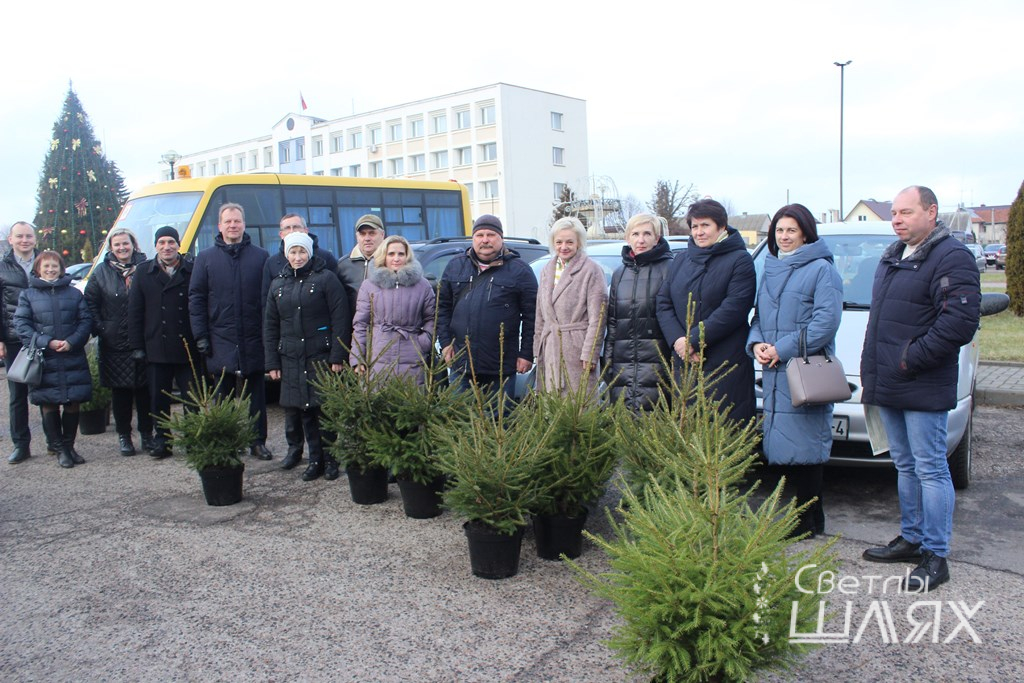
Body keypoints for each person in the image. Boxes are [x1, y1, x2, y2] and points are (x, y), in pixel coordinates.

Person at [860, 186, 981, 592]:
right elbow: (882, 321)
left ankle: (936, 554)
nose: (896, 219)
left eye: (906, 212)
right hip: (890, 381)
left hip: (921, 381)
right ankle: (911, 538)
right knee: (905, 464)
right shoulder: (893, 256)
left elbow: (959, 323)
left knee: (930, 467)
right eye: (893, 213)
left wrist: (910, 358)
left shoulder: (951, 256)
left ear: (931, 212)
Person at [747, 204, 843, 539]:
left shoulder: (821, 269)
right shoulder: (771, 268)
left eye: (791, 230)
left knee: (807, 450)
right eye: (779, 231)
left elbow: (825, 324)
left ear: (805, 232)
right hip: (774, 371)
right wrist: (757, 343)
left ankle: (806, 520)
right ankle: (808, 519)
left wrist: (781, 348)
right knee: (786, 450)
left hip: (803, 370)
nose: (784, 237)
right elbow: (758, 316)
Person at [656, 199, 756, 424]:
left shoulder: (740, 260)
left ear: (721, 227)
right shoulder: (681, 260)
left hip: (725, 361)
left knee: (724, 429)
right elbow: (663, 302)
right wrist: (678, 341)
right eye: (694, 226)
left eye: (705, 225)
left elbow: (735, 307)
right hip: (685, 361)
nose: (699, 232)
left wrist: (693, 340)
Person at [189, 202, 273, 460]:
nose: (233, 225)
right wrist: (201, 335)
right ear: (220, 226)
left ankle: (257, 441)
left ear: (244, 224)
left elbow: (268, 300)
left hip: (253, 337)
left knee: (256, 396)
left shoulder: (261, 257)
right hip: (220, 337)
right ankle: (228, 440)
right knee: (223, 395)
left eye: (237, 221)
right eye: (228, 221)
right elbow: (196, 298)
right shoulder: (205, 258)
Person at [264, 232, 350, 481]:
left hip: (320, 355)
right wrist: (272, 361)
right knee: (304, 411)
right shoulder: (278, 284)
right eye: (293, 252)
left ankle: (332, 460)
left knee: (324, 411)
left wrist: (337, 356)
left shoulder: (326, 280)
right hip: (290, 357)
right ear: (286, 255)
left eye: (302, 252)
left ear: (310, 253)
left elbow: (340, 320)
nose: (298, 257)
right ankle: (315, 460)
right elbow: (270, 325)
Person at [436, 214, 537, 405]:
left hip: (500, 367)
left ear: (501, 238)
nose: (485, 240)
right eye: (479, 235)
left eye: (491, 234)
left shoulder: (520, 271)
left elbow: (532, 317)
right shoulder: (455, 266)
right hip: (461, 364)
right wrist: (446, 342)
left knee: (499, 424)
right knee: (459, 421)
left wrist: (525, 354)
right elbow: (442, 309)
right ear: (473, 239)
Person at [13, 251, 93, 469]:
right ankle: (58, 448)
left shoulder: (74, 294)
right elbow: (22, 325)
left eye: (54, 266)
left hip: (71, 355)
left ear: (61, 268)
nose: (50, 270)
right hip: (45, 358)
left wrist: (73, 341)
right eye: (46, 266)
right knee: (49, 403)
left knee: (73, 402)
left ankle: (69, 445)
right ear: (38, 269)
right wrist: (47, 342)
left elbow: (86, 320)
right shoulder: (28, 295)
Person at [126, 226, 196, 459]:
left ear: (178, 245)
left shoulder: (191, 270)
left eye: (171, 242)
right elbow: (135, 312)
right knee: (158, 399)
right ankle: (162, 440)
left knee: (192, 398)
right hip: (156, 346)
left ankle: (194, 438)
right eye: (162, 243)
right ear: (155, 246)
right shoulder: (144, 273)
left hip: (187, 347)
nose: (167, 247)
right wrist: (137, 346)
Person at [84, 228, 153, 456]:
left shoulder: (147, 268)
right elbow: (90, 304)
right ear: (111, 248)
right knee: (120, 394)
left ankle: (147, 434)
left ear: (133, 244)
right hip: (114, 342)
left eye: (126, 243)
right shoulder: (101, 273)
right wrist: (102, 328)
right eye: (117, 245)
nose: (122, 248)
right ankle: (124, 436)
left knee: (145, 392)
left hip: (144, 339)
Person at [603, 214, 675, 411]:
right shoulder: (620, 273)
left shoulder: (670, 269)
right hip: (623, 365)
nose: (641, 240)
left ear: (657, 238)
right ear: (627, 238)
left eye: (647, 234)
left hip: (658, 364)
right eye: (635, 234)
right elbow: (613, 322)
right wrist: (608, 362)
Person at [533, 217, 606, 396]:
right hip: (550, 347)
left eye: (569, 242)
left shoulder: (591, 270)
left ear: (579, 243)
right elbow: (540, 314)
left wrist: (590, 354)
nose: (563, 247)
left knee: (577, 406)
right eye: (559, 242)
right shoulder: (546, 270)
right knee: (551, 405)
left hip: (576, 349)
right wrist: (537, 350)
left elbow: (598, 318)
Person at [351, 235, 435, 383]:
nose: (396, 258)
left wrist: (423, 342)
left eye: (401, 254)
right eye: (391, 254)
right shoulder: (369, 285)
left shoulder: (422, 285)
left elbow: (432, 318)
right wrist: (358, 357)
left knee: (411, 403)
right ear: (384, 255)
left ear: (407, 256)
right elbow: (360, 324)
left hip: (412, 355)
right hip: (378, 356)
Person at [0, 221, 40, 463]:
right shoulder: (2, 268)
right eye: (20, 237)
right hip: (15, 339)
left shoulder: (44, 262)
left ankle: (56, 442)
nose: (25, 240)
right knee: (17, 395)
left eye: (29, 236)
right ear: (11, 240)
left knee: (48, 392)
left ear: (35, 239)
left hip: (43, 336)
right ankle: (21, 445)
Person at [261, 213, 338, 300]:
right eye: (287, 228)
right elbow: (266, 300)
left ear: (306, 230)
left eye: (296, 227)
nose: (292, 231)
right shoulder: (271, 263)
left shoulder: (326, 257)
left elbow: (337, 297)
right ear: (281, 234)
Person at [338, 214, 386, 339]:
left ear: (382, 235)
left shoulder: (392, 262)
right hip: (354, 336)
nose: (367, 238)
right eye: (362, 234)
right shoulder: (343, 265)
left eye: (372, 233)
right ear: (357, 236)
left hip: (387, 337)